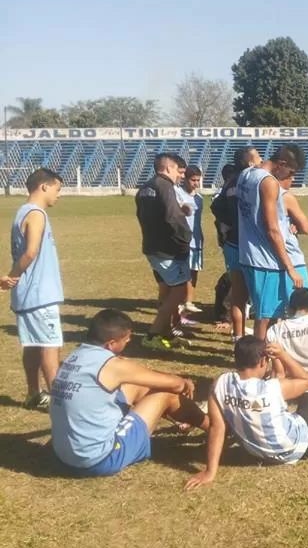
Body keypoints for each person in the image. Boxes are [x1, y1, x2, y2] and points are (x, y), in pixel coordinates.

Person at [184, 336, 308, 490]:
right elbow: (306, 382)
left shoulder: (220, 383)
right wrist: (283, 356)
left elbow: (217, 427)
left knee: (293, 411)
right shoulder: (272, 389)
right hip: (300, 446)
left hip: (256, 452)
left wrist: (210, 472)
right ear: (263, 361)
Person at [50, 309, 207, 477]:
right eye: (126, 339)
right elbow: (175, 385)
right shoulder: (112, 366)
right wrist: (185, 383)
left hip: (63, 455)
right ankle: (215, 427)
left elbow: (141, 378)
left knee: (135, 385)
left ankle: (191, 423)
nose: (130, 341)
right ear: (111, 344)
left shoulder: (74, 357)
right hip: (100, 459)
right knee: (164, 395)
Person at [7, 168, 64, 409]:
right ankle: (59, 403)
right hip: (40, 295)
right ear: (44, 187)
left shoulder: (21, 212)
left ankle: (34, 393)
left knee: (32, 344)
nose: (59, 195)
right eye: (57, 189)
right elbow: (31, 252)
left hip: (28, 295)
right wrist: (12, 275)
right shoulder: (36, 214)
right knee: (51, 347)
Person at [237, 144, 306, 339]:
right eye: (290, 172)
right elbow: (272, 230)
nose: (289, 177)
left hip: (249, 255)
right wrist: (290, 268)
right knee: (265, 317)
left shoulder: (247, 173)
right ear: (281, 164)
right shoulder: (269, 182)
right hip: (266, 260)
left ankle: (268, 358)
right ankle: (258, 361)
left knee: (269, 313)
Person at [135, 153, 193, 351]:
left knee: (168, 291)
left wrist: (178, 210)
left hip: (152, 247)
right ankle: (152, 335)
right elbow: (170, 217)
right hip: (168, 250)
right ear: (168, 168)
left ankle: (166, 333)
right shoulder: (165, 186)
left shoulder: (145, 188)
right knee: (179, 292)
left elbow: (149, 215)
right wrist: (186, 236)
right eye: (179, 171)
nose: (181, 176)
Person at [211, 146, 262, 344]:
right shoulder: (254, 181)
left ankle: (238, 336)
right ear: (250, 163)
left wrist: (229, 226)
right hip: (251, 246)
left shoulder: (230, 182)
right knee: (258, 293)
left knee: (238, 293)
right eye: (258, 156)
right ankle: (260, 339)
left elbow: (216, 207)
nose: (261, 159)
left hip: (232, 244)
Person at [181, 165, 205, 316]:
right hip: (182, 240)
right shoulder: (178, 194)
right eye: (193, 180)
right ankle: (179, 302)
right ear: (186, 178)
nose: (195, 183)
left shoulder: (199, 199)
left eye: (198, 180)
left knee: (194, 271)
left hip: (196, 240)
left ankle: (189, 302)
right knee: (182, 272)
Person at [280, 174, 308, 288]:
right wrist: (298, 225)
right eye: (290, 174)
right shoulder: (285, 196)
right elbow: (306, 228)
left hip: (266, 260)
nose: (293, 179)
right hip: (292, 258)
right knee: (302, 302)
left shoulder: (258, 194)